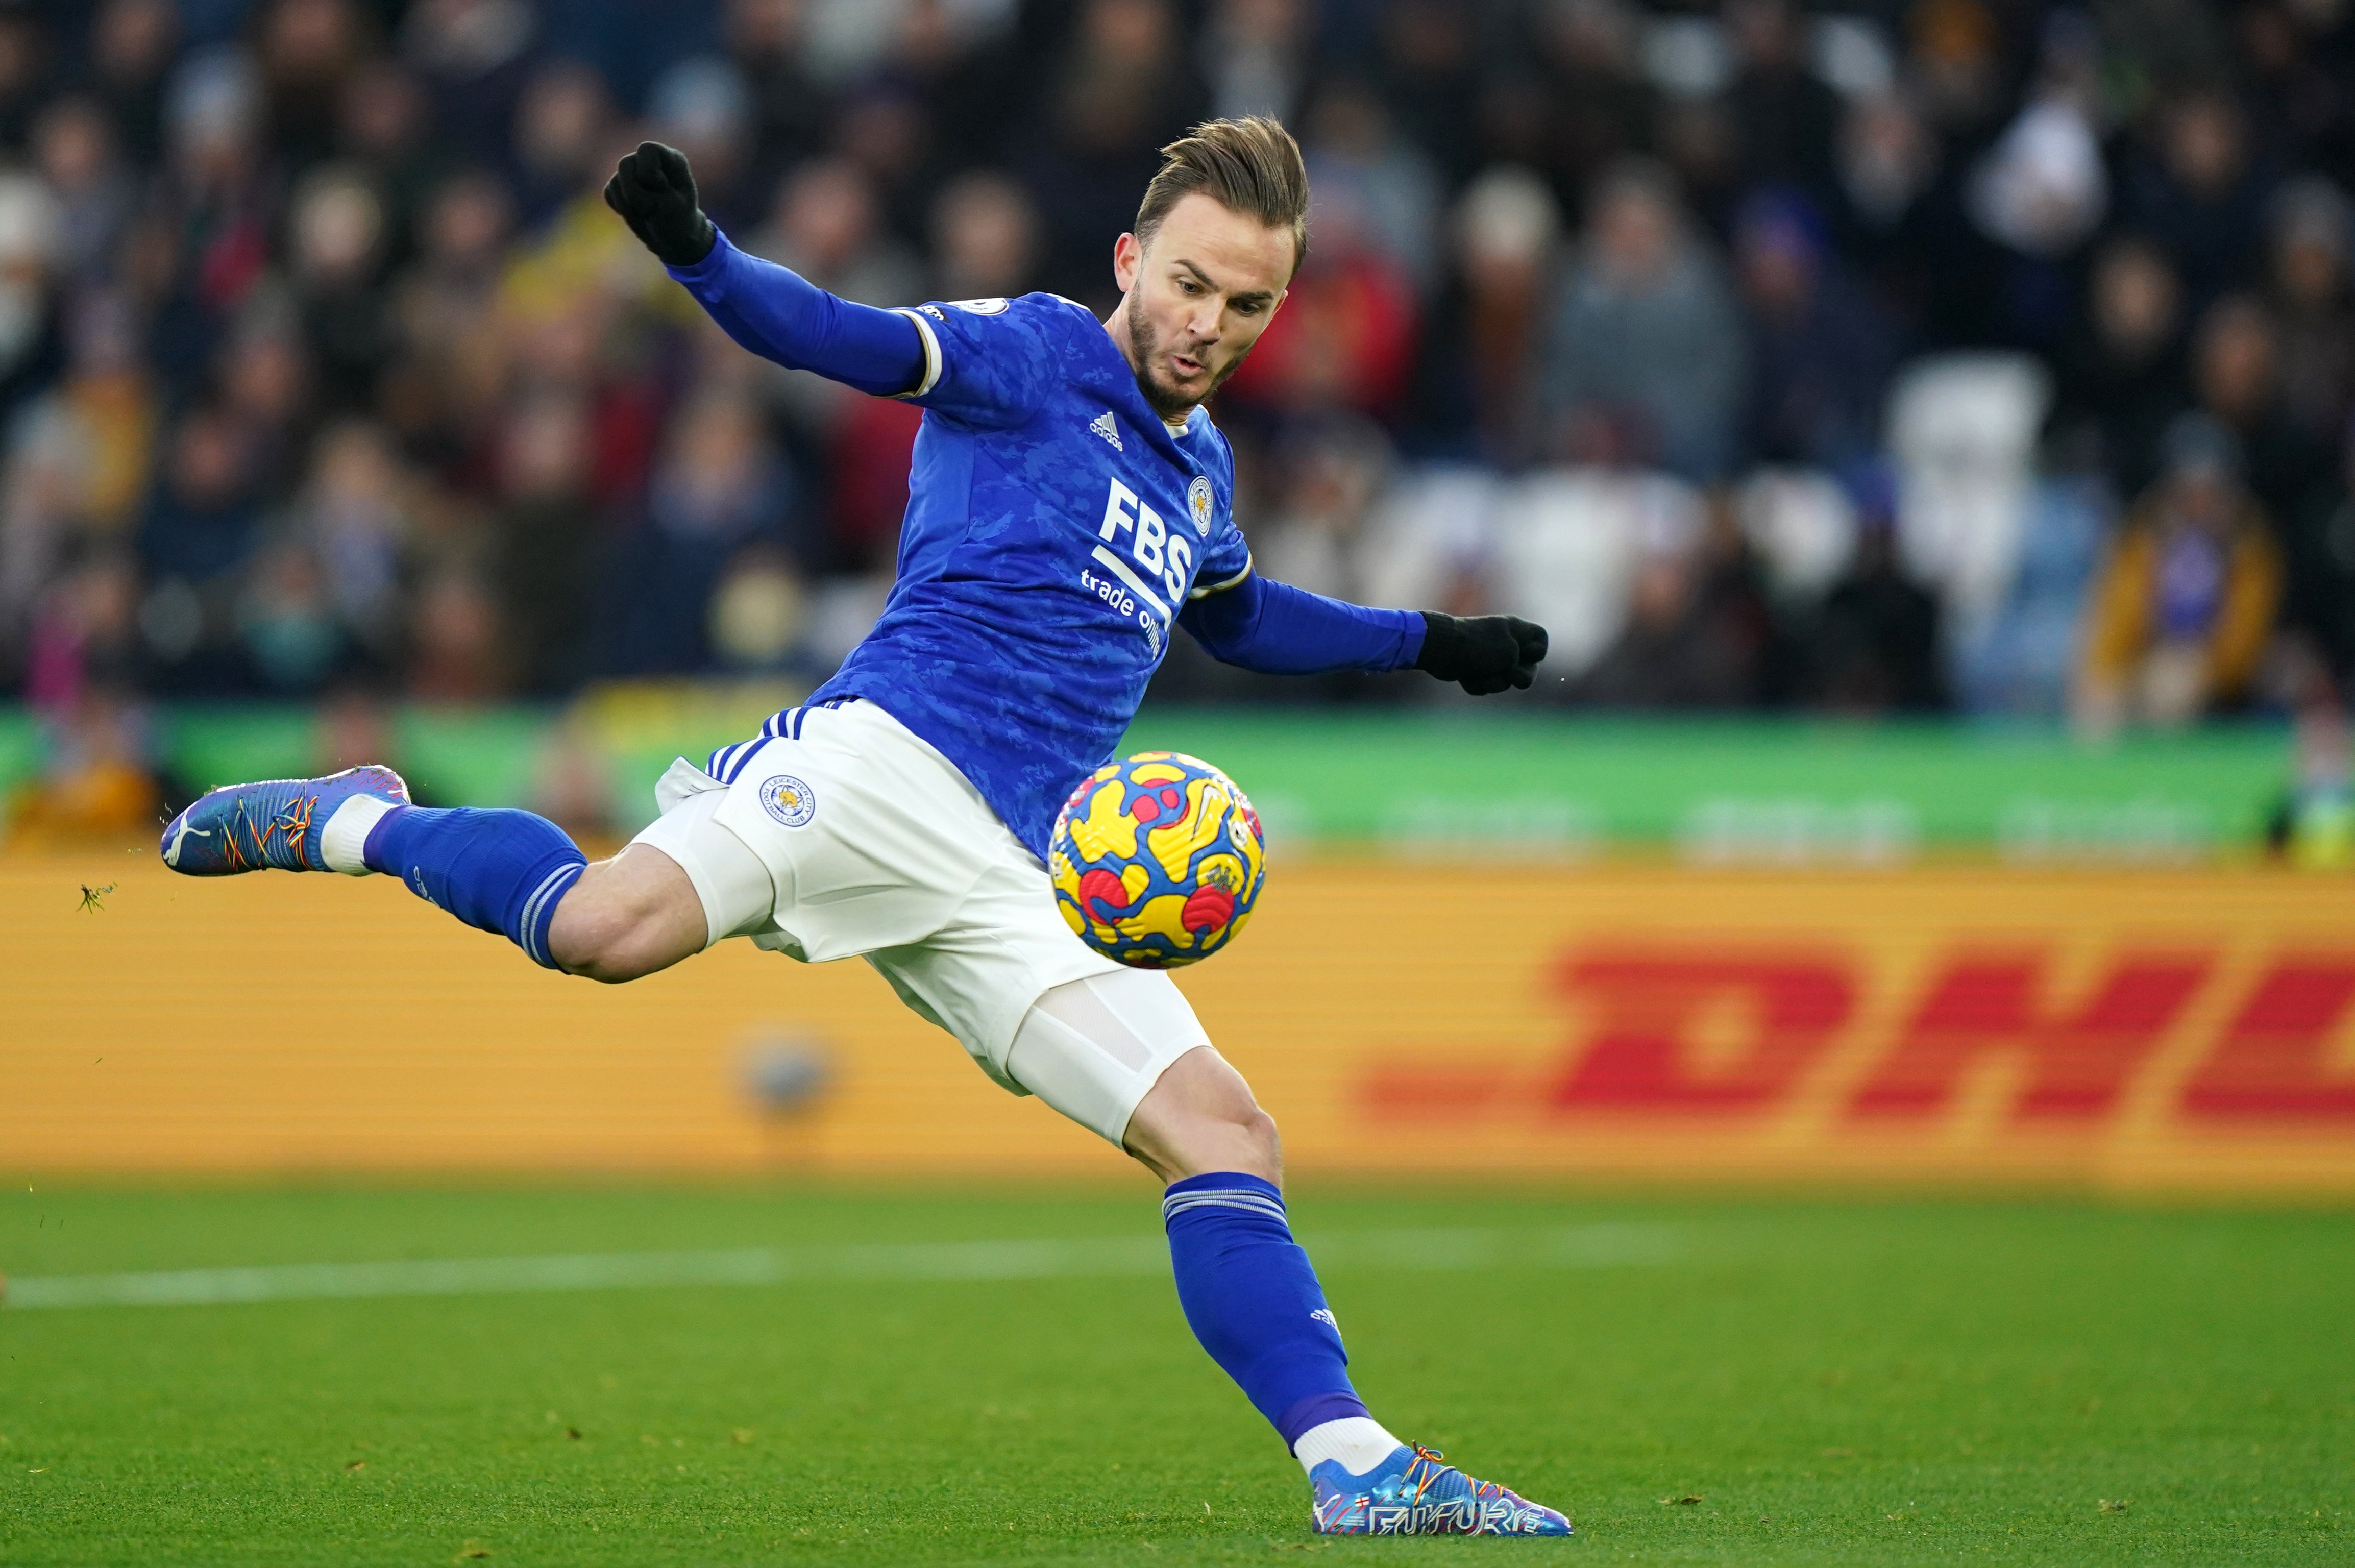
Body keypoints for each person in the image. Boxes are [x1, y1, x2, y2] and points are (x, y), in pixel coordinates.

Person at [156, 118, 1563, 1538]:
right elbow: (839, 337)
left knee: (1224, 1133)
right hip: (883, 762)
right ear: (1133, 259)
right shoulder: (1033, 353)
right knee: (600, 930)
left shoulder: (1200, 479)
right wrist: (699, 257)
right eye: (1192, 285)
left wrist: (1430, 641)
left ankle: (1359, 1469)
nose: (1211, 325)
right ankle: (360, 823)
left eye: (1248, 304)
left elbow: (1247, 620)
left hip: (1025, 869)